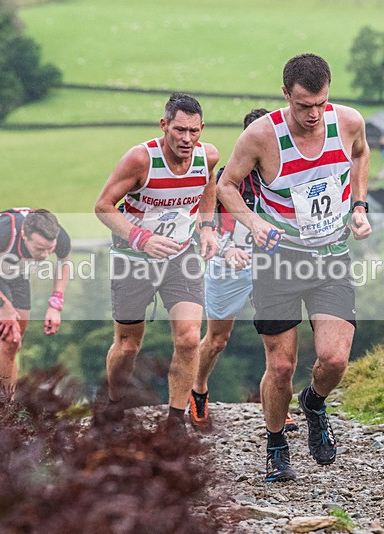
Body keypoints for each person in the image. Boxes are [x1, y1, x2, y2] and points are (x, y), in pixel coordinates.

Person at [216, 54, 372, 482]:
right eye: (303, 105)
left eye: (320, 103)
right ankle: (276, 444)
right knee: (281, 367)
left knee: (335, 359)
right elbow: (225, 186)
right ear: (285, 95)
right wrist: (253, 221)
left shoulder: (348, 122)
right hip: (278, 262)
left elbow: (360, 155)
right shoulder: (261, 136)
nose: (313, 114)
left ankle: (315, 404)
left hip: (330, 257)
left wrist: (359, 206)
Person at [94, 92, 219, 430]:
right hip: (133, 258)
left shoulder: (207, 156)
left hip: (181, 257)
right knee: (128, 345)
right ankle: (114, 405)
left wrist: (206, 228)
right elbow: (103, 206)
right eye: (179, 130)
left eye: (194, 131)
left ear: (202, 129)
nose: (187, 139)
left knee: (190, 337)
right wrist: (141, 238)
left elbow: (209, 186)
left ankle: (175, 420)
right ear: (164, 125)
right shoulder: (140, 160)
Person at [189, 108, 297, 435]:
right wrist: (226, 249)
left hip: (271, 264)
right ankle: (198, 390)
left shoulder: (289, 176)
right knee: (218, 339)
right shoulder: (225, 179)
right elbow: (202, 226)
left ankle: (276, 408)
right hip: (229, 264)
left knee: (278, 342)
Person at [0, 207, 72, 392]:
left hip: (15, 268)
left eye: (49, 249)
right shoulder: (3, 233)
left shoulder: (58, 235)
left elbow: (64, 262)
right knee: (10, 340)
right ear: (24, 235)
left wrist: (55, 304)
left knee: (13, 341)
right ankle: (3, 411)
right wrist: (3, 305)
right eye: (39, 248)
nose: (44, 255)